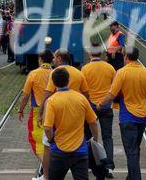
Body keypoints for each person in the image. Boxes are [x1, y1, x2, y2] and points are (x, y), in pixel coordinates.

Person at [98, 47, 146, 180]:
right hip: (143, 117)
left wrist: (100, 104)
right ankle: (131, 176)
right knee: (135, 149)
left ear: (126, 57)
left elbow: (111, 94)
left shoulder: (122, 72)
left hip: (128, 118)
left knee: (131, 151)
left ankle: (135, 177)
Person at [43, 68, 99, 180]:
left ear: (53, 83)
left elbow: (47, 127)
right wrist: (95, 139)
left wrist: (51, 140)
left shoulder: (52, 101)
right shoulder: (81, 98)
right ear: (68, 81)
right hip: (80, 151)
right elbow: (93, 122)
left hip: (59, 151)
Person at [81, 42, 116, 177]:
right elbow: (114, 88)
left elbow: (82, 89)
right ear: (101, 53)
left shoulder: (85, 69)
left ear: (90, 53)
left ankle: (91, 164)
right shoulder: (110, 68)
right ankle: (109, 167)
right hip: (106, 107)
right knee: (108, 137)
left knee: (89, 137)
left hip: (90, 107)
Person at [18, 50, 54, 180]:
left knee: (36, 142)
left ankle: (47, 173)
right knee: (51, 141)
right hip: (55, 110)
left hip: (38, 112)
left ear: (40, 59)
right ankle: (48, 171)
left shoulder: (33, 74)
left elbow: (25, 95)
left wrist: (20, 110)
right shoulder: (56, 73)